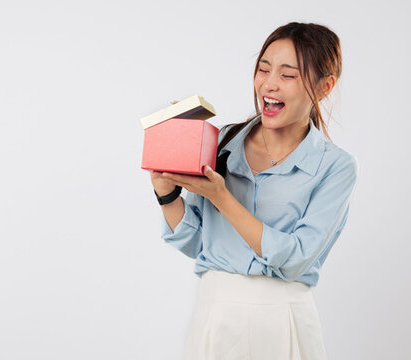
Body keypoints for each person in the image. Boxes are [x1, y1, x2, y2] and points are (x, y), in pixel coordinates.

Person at [149, 22, 357, 359]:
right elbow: (197, 243)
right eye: (263, 69)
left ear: (324, 87)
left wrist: (222, 197)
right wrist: (167, 194)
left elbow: (295, 259)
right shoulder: (223, 143)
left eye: (288, 75)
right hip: (216, 315)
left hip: (284, 321)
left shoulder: (335, 166)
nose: (269, 84)